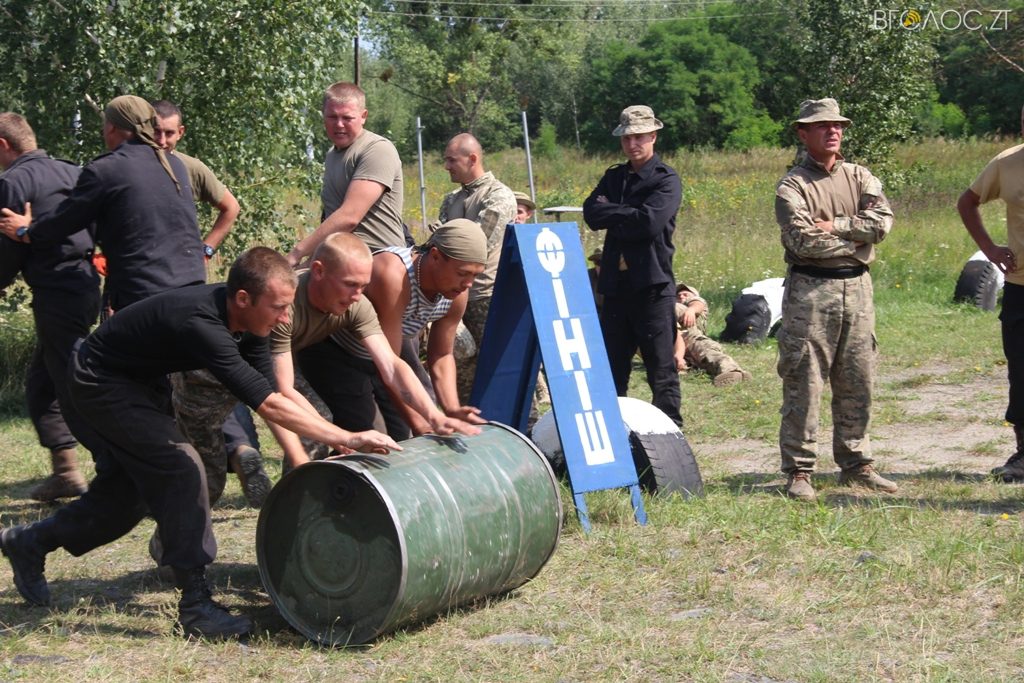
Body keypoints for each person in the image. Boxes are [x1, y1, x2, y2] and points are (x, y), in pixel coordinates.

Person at [0, 248, 399, 639]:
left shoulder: (253, 324)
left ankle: (30, 542)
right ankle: (195, 604)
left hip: (141, 383)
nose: (285, 318)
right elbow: (266, 404)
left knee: (127, 498)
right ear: (243, 299)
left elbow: (277, 391)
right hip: (99, 380)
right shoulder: (202, 324)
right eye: (278, 307)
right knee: (182, 466)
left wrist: (330, 439)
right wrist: (347, 436)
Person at [774, 98, 896, 502]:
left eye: (838, 125)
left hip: (858, 290)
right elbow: (801, 240)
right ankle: (799, 470)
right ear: (803, 133)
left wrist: (836, 226)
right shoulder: (793, 186)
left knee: (858, 378)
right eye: (822, 126)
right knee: (804, 380)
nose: (833, 131)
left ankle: (857, 463)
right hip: (810, 293)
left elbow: (882, 224)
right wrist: (855, 242)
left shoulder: (860, 176)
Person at [150, 98, 268, 508]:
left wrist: (206, 249)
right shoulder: (140, 167)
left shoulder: (188, 167)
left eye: (169, 132)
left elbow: (230, 207)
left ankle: (190, 465)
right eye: (155, 131)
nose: (162, 139)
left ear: (180, 133)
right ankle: (239, 449)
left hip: (181, 289)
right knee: (207, 377)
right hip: (161, 288)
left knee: (194, 378)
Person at [0, 96, 206, 313]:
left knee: (107, 338)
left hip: (145, 293)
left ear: (111, 127)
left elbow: (66, 220)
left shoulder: (107, 169)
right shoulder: (173, 164)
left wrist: (26, 231)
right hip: (192, 289)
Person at [300, 219, 490, 440]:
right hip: (338, 352)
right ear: (436, 256)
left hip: (385, 356)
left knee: (403, 434)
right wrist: (422, 426)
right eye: (463, 273)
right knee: (373, 435)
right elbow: (389, 365)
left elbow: (441, 355)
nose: (468, 283)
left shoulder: (457, 292)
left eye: (475, 275)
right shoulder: (394, 275)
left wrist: (452, 409)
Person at [0, 113, 99, 501]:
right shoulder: (73, 173)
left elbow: (8, 247)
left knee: (74, 385)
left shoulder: (13, 182)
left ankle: (117, 465)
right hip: (85, 283)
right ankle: (66, 472)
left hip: (57, 292)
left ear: (3, 145)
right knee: (44, 384)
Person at [582, 105, 682, 427]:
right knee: (612, 367)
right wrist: (630, 212)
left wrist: (614, 212)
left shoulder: (666, 179)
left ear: (653, 136)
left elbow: (649, 224)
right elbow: (591, 213)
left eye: (639, 137)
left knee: (660, 368)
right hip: (615, 286)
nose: (632, 144)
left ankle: (670, 431)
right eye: (626, 138)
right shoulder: (614, 177)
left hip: (652, 286)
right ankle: (614, 431)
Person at [957, 105, 1024, 483]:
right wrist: (990, 249)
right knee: (1022, 371)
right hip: (1021, 287)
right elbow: (967, 202)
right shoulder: (1007, 162)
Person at [437, 133, 517, 404]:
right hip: (449, 298)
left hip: (485, 297)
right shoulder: (451, 199)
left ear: (472, 159)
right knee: (461, 371)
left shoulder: (498, 195)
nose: (446, 166)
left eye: (452, 160)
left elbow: (478, 246)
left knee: (499, 372)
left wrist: (445, 244)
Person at [287, 81, 405, 265]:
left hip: (379, 259)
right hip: (341, 257)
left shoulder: (377, 149)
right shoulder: (332, 155)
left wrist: (296, 254)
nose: (339, 124)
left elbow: (349, 217)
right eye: (332, 117)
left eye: (347, 118)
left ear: (363, 116)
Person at [673, 283, 752, 387]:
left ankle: (731, 371)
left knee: (709, 355)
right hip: (675, 345)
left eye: (685, 294)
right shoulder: (670, 309)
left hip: (694, 340)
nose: (681, 296)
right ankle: (738, 376)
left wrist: (691, 310)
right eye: (678, 295)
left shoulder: (693, 305)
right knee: (698, 365)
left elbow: (697, 304)